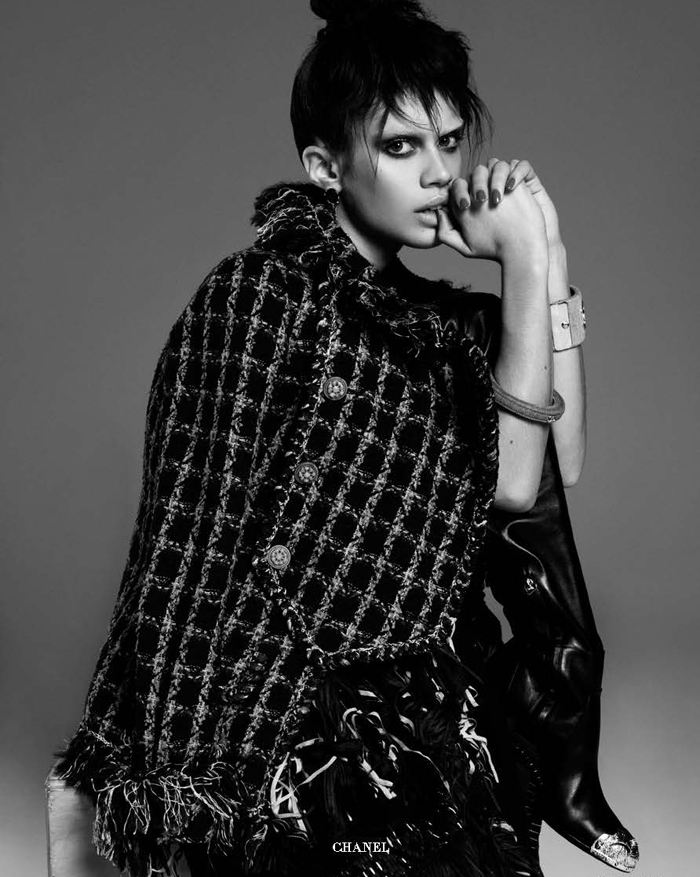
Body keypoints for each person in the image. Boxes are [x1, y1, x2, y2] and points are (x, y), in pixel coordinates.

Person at [53, 1, 638, 875]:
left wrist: (541, 259)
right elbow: (188, 541)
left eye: (450, 141)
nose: (438, 172)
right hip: (284, 720)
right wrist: (165, 770)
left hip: (429, 718)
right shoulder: (258, 298)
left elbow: (548, 474)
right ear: (326, 166)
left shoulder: (459, 329)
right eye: (401, 147)